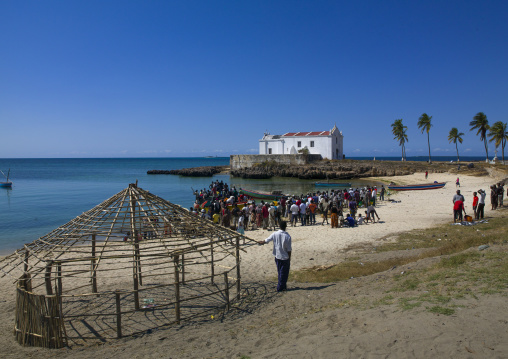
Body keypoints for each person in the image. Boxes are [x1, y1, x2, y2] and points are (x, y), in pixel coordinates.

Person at [257, 220, 292, 292]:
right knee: (284, 273)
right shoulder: (287, 236)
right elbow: (289, 250)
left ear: (279, 226)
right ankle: (280, 288)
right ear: (285, 227)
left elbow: (267, 240)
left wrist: (261, 242)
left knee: (280, 272)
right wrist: (289, 258)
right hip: (285, 257)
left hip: (277, 256)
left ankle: (283, 286)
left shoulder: (275, 234)